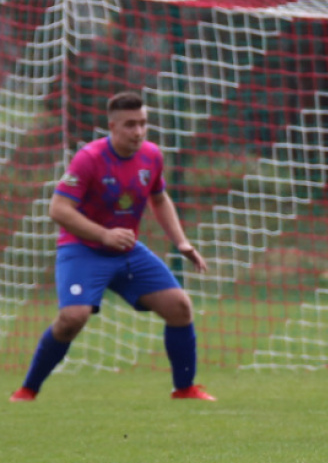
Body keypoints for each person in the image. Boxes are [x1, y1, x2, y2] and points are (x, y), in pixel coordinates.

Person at [9, 91, 215, 402]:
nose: (138, 131)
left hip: (127, 252)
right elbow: (59, 209)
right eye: (130, 125)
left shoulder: (152, 156)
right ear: (112, 126)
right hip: (82, 250)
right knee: (72, 318)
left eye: (143, 123)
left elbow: (159, 198)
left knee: (180, 307)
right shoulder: (89, 158)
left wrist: (181, 241)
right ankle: (28, 390)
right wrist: (103, 235)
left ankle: (184, 389)